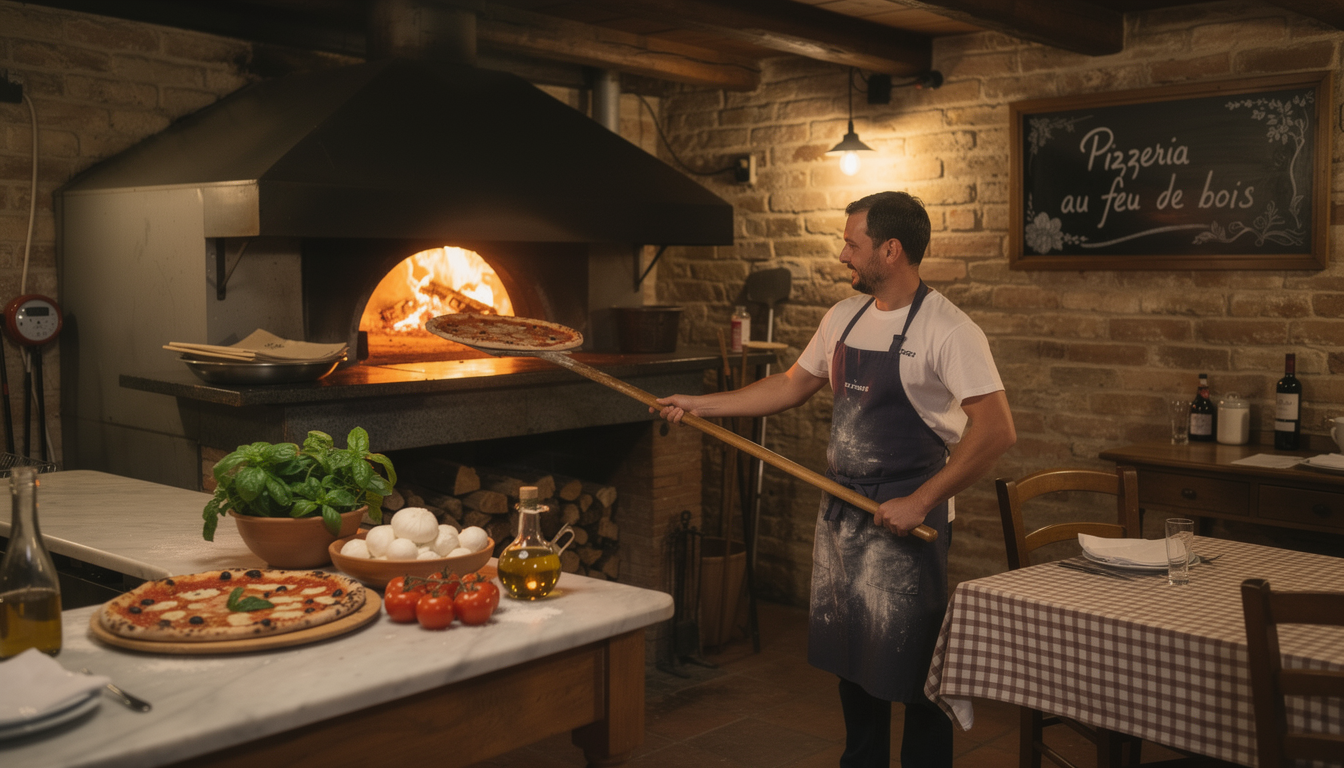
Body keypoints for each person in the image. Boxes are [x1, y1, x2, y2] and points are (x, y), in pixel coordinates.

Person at [653, 191, 1015, 768]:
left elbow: (996, 431)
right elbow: (790, 385)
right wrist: (700, 405)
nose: (842, 254)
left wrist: (920, 502)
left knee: (915, 664)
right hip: (843, 514)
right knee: (854, 662)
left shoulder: (950, 330)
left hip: (904, 523)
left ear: (891, 250)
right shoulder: (842, 318)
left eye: (853, 243)